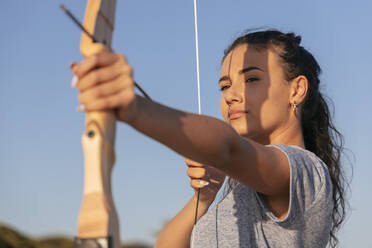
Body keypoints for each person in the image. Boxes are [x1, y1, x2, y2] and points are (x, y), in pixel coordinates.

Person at [71, 29, 347, 248]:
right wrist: (203, 198)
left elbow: (228, 147)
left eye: (251, 79)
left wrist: (134, 108)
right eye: (224, 86)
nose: (230, 95)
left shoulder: (305, 170)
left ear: (297, 90)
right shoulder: (237, 189)